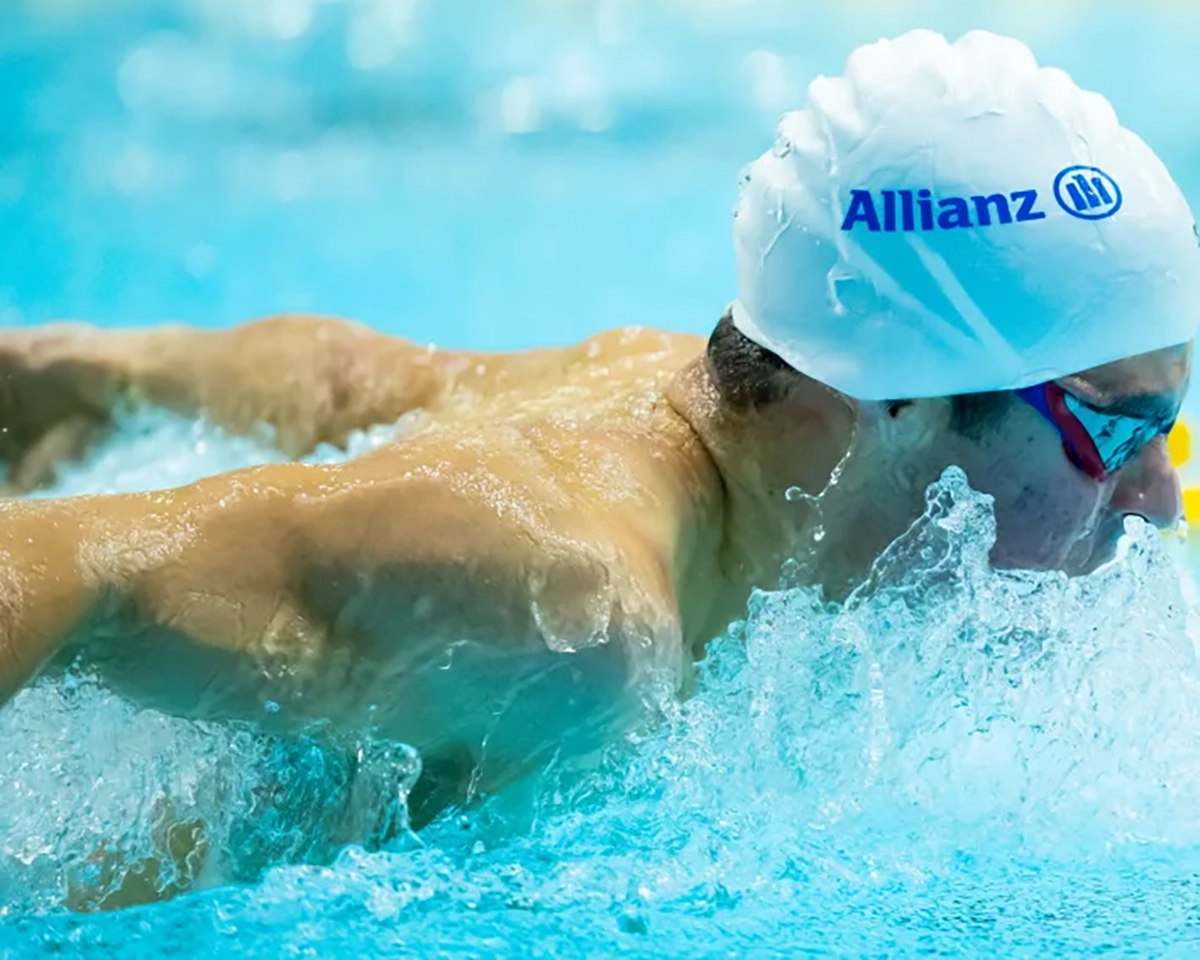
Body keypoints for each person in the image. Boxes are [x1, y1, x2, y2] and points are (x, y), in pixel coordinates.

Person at [0, 29, 1194, 824]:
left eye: (1174, 427)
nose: (1153, 495)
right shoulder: (560, 612)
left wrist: (105, 377)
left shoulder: (646, 386)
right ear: (889, 396)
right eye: (1120, 428)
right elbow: (65, 569)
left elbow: (354, 383)